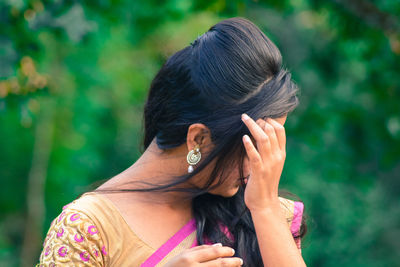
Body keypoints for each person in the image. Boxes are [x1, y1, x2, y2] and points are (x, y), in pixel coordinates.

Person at [36, 17, 308, 266]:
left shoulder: (261, 212)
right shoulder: (86, 230)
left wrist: (266, 209)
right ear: (198, 139)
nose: (262, 168)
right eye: (254, 148)